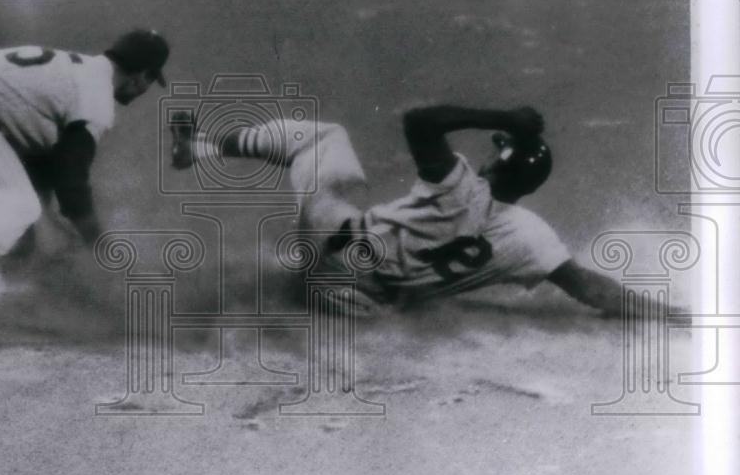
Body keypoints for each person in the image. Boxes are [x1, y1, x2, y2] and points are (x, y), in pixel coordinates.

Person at [169, 104, 629, 316]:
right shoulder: (533, 237)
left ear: (498, 163)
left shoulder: (460, 185)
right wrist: (658, 312)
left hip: (331, 249)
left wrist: (503, 118)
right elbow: (591, 288)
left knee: (326, 138)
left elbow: (419, 120)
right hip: (364, 304)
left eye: (498, 147)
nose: (490, 151)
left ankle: (201, 148)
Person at [0, 29, 170, 347]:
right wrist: (101, 248)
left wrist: (63, 223)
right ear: (143, 76)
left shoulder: (79, 69)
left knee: (19, 206)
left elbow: (48, 164)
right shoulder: (96, 101)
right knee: (17, 206)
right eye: (151, 81)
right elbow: (71, 187)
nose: (145, 89)